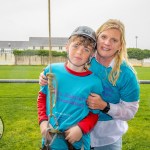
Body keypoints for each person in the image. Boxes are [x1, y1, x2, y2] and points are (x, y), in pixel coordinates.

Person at [39, 19, 140, 150]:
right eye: (103, 37)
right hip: (71, 134)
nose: (107, 43)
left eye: (114, 40)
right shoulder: (86, 58)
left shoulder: (127, 74)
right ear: (97, 40)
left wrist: (105, 106)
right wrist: (45, 75)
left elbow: (130, 111)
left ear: (120, 45)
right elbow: (68, 69)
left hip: (106, 137)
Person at [37, 26, 103, 150]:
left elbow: (94, 114)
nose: (79, 52)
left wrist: (81, 128)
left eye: (86, 49)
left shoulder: (94, 82)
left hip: (77, 143)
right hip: (51, 140)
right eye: (75, 46)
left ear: (92, 54)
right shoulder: (51, 70)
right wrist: (43, 121)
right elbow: (42, 98)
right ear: (67, 46)